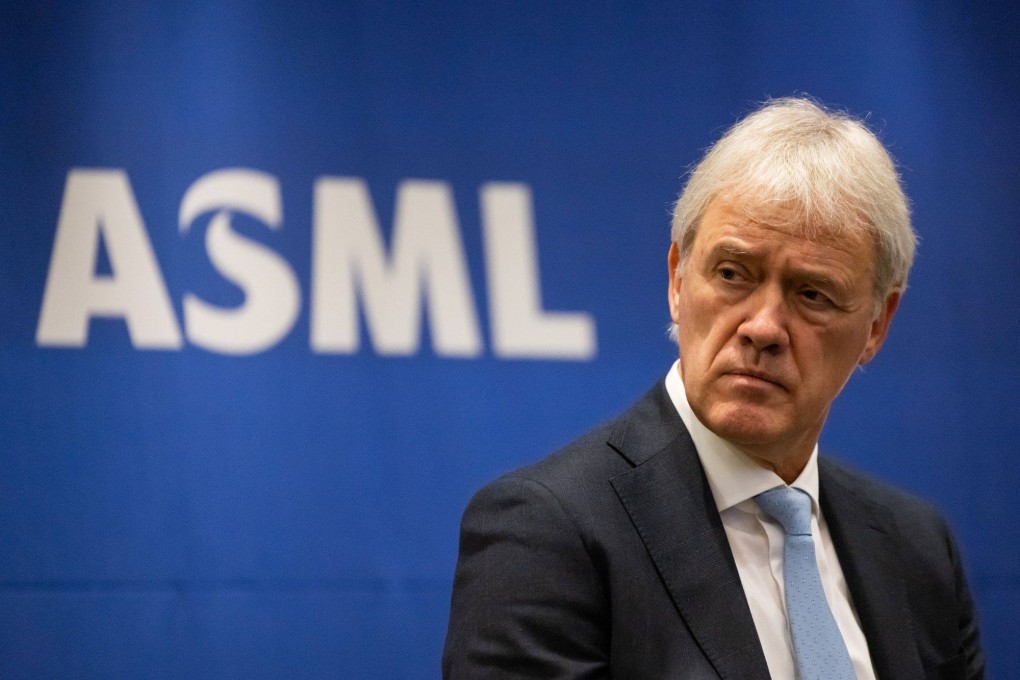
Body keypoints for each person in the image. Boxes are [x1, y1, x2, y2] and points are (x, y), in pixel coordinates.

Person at [442, 98, 984, 679]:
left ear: (877, 324)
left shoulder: (919, 549)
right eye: (733, 274)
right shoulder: (549, 532)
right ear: (678, 278)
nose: (763, 327)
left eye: (812, 295)